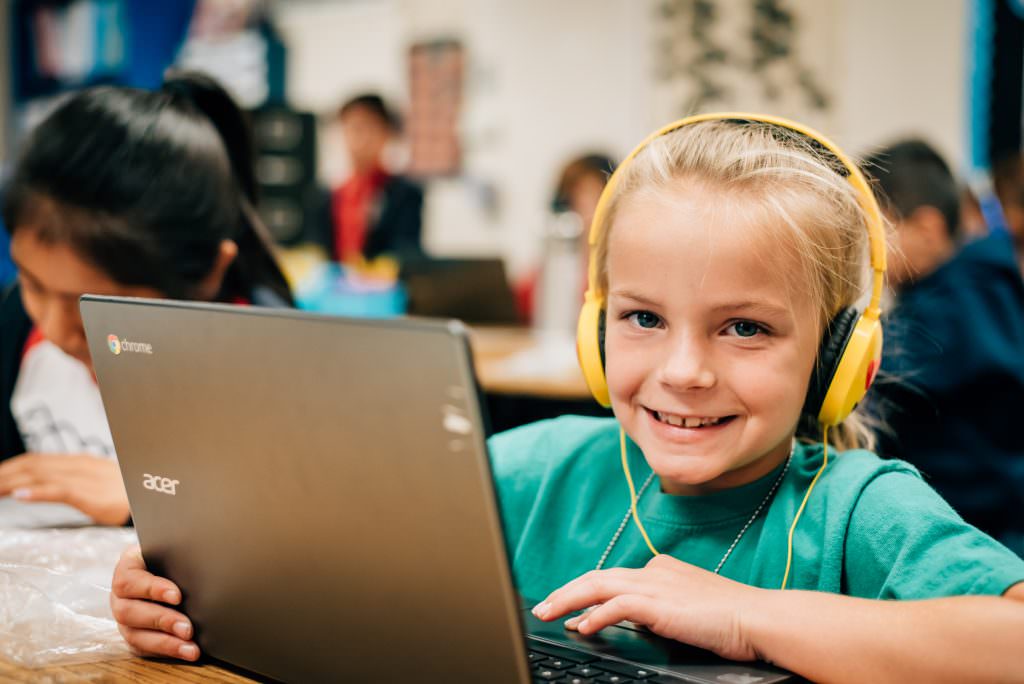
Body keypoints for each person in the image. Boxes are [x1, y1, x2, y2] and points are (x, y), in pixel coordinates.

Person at [110, 115, 1024, 682]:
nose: (685, 370)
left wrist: (746, 618)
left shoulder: (858, 510)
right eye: (641, 318)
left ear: (839, 355)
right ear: (593, 331)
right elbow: (315, 543)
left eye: (745, 328)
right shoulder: (537, 467)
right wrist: (188, 584)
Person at [0, 71, 293, 527]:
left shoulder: (271, 369)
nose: (55, 330)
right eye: (33, 284)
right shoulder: (17, 327)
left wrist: (159, 499)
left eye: (92, 305)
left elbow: (306, 531)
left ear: (210, 273)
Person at [862, 139, 1024, 553]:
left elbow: (871, 377)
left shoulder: (947, 311)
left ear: (927, 229)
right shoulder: (988, 283)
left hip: (980, 533)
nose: (864, 252)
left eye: (873, 231)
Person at [311, 93, 423, 265]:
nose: (362, 139)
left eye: (370, 128)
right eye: (354, 128)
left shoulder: (405, 195)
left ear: (386, 133)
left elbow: (405, 252)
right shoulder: (326, 197)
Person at [516, 153, 615, 323]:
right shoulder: (552, 262)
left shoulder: (619, 267)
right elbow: (520, 306)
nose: (582, 203)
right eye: (575, 194)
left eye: (591, 192)